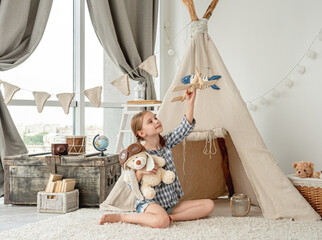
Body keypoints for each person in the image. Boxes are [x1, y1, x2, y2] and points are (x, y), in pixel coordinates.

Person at [99, 89, 215, 228]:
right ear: (141, 133)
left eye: (155, 118)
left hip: (171, 204)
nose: (156, 121)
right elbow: (132, 185)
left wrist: (190, 102)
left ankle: (172, 217)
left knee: (209, 205)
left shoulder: (166, 143)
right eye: (150, 121)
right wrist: (141, 172)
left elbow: (185, 128)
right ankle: (123, 217)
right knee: (161, 222)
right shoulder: (138, 155)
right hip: (150, 204)